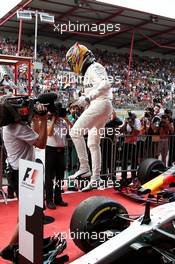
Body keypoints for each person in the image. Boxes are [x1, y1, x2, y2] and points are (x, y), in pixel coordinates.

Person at [0, 100, 48, 261]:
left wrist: (35, 121)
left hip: (22, 171)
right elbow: (41, 144)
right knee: (33, 215)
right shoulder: (17, 128)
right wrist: (44, 120)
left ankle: (26, 245)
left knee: (27, 214)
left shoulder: (9, 127)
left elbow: (33, 138)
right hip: (26, 173)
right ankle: (10, 248)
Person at [66, 42, 113, 191]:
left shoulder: (94, 67)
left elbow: (105, 83)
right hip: (101, 105)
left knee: (75, 132)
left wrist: (87, 98)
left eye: (73, 63)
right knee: (93, 143)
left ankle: (85, 167)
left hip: (101, 104)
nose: (73, 67)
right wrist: (83, 100)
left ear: (79, 58)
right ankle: (96, 177)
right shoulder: (90, 70)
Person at [45, 112, 68, 209]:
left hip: (61, 151)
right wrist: (54, 119)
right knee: (49, 177)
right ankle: (49, 200)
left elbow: (72, 130)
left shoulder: (63, 121)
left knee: (60, 176)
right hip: (51, 150)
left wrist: (66, 118)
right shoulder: (48, 120)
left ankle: (58, 198)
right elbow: (49, 133)